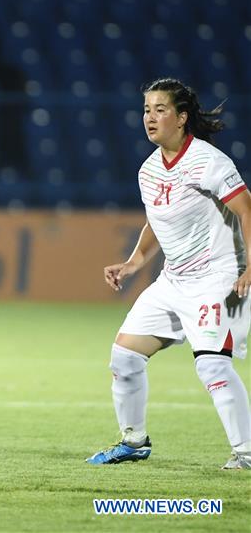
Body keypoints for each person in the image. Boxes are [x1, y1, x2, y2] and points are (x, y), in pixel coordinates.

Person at [86, 78, 251, 469]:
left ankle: (246, 453)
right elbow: (157, 222)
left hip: (218, 279)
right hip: (174, 281)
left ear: (181, 118)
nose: (150, 117)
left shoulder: (208, 161)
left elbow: (246, 210)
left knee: (212, 363)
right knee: (124, 357)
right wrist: (132, 263)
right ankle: (134, 441)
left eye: (160, 110)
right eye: (146, 110)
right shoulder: (149, 170)